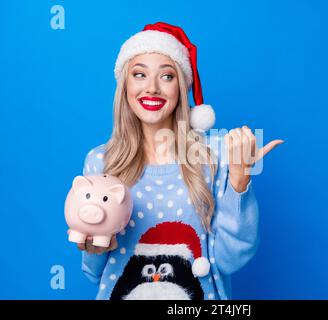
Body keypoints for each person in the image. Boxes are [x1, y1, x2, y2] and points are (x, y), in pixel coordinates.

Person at [78, 22, 283, 300]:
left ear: (181, 88)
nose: (151, 88)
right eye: (139, 74)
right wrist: (94, 248)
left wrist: (239, 180)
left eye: (166, 76)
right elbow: (93, 272)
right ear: (125, 84)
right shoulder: (100, 161)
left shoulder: (214, 157)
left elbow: (230, 261)